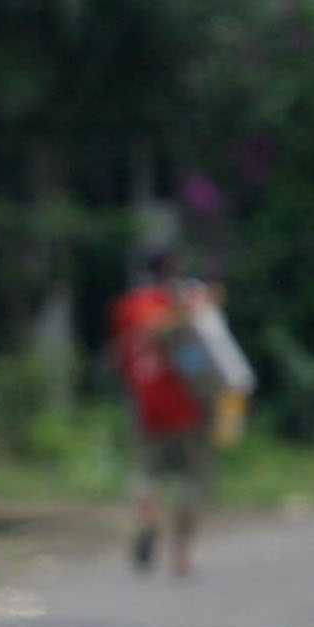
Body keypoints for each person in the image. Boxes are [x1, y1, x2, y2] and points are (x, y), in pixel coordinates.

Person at [109, 248, 220, 578]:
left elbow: (122, 353)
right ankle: (181, 556)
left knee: (146, 474)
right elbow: (198, 354)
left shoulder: (126, 307)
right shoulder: (180, 305)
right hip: (186, 408)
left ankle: (149, 518)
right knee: (192, 481)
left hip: (146, 407)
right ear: (172, 269)